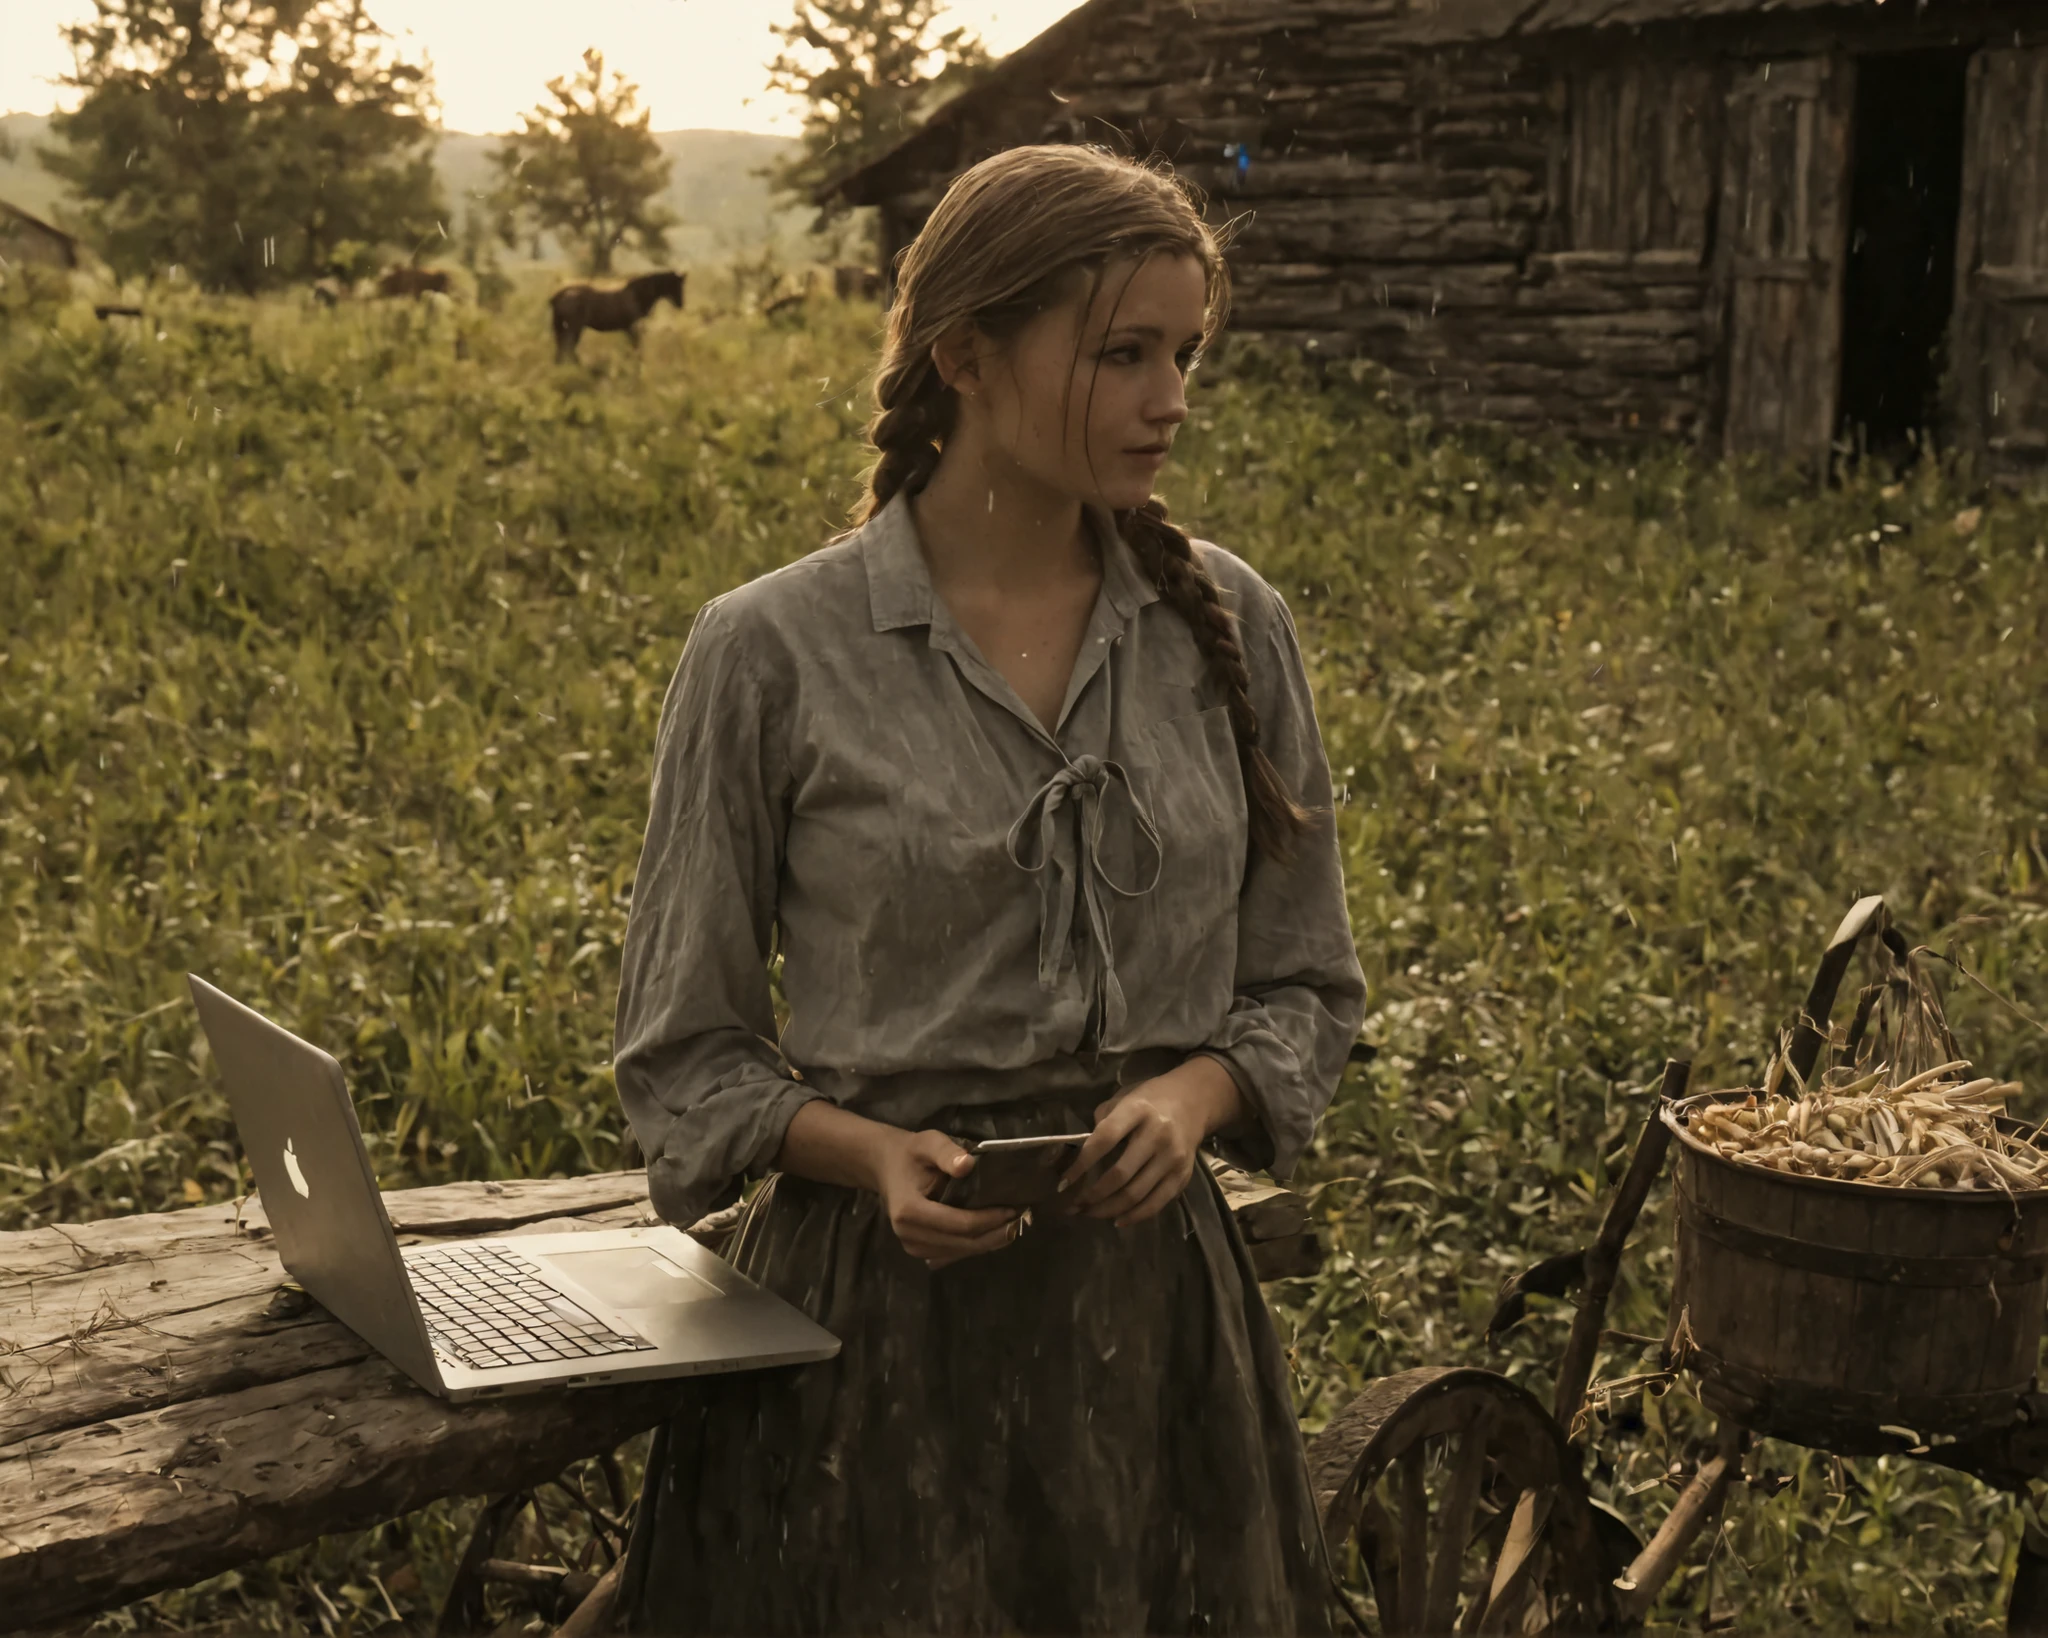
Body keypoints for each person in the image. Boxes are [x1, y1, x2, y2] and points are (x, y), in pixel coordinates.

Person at [610, 143, 1368, 1635]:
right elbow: (685, 1052)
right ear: (965, 355)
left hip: (1155, 1337)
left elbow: (1304, 979)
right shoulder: (770, 652)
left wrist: (1196, 1095)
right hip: (865, 1343)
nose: (1172, 398)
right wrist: (871, 1154)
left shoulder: (1231, 626)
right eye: (1123, 354)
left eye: (1186, 353)